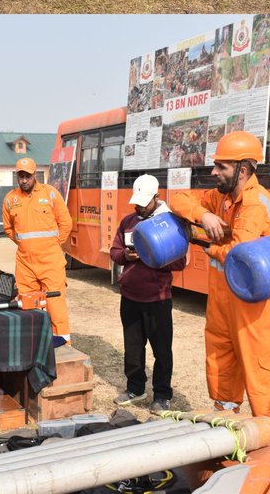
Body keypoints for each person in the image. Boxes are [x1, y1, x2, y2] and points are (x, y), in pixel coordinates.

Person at [169, 131, 270, 428]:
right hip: (223, 297)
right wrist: (203, 216)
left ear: (242, 170)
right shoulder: (221, 198)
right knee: (221, 357)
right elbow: (178, 199)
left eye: (221, 167)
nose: (213, 172)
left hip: (253, 303)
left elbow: (240, 252)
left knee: (260, 368)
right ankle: (225, 421)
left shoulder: (256, 201)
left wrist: (213, 248)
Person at [110, 173, 184, 413]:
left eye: (144, 202)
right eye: (137, 202)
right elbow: (115, 250)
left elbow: (180, 261)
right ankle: (135, 388)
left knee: (162, 349)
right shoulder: (128, 221)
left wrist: (155, 256)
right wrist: (125, 256)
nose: (139, 206)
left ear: (156, 197)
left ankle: (162, 395)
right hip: (130, 295)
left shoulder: (171, 223)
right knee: (132, 348)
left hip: (158, 298)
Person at [2, 157, 72, 344]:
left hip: (51, 262)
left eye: (27, 176)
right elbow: (9, 229)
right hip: (25, 263)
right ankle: (31, 346)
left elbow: (66, 223)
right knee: (26, 304)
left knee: (55, 306)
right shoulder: (10, 199)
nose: (24, 180)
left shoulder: (50, 194)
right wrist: (25, 246)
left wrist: (53, 246)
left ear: (35, 175)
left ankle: (64, 346)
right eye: (20, 176)